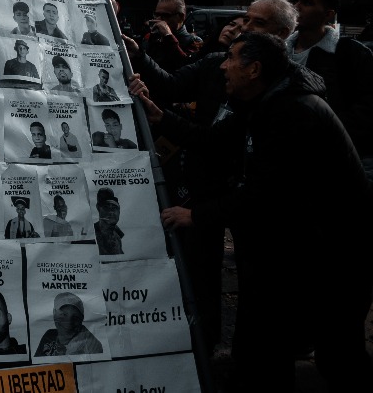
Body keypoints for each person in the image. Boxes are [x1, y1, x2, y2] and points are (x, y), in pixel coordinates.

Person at [139, 31, 373, 388]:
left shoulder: (292, 111)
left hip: (333, 254)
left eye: (231, 58)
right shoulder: (267, 99)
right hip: (294, 248)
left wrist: (196, 215)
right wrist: (161, 118)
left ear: (254, 69)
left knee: (337, 356)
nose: (223, 65)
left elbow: (264, 193)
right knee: (262, 348)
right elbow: (215, 139)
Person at [287, 0, 373, 166]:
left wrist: (330, 133)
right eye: (295, 1)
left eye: (307, 3)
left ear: (328, 14)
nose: (296, 7)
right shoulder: (279, 50)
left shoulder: (351, 53)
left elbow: (367, 107)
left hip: (331, 157)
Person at [140, 0, 202, 72]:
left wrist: (168, 36)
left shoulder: (194, 41)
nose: (159, 19)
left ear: (181, 17)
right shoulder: (150, 37)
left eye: (165, 15)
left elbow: (188, 68)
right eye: (157, 15)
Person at [33, 293, 102, 356]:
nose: (69, 322)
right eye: (64, 314)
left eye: (75, 317)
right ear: (54, 313)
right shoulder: (49, 335)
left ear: (82, 319)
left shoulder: (91, 346)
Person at [93, 188, 123, 254]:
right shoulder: (92, 234)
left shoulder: (117, 234)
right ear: (98, 208)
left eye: (114, 208)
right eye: (106, 207)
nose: (111, 212)